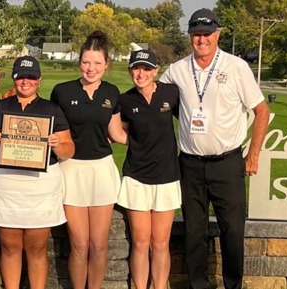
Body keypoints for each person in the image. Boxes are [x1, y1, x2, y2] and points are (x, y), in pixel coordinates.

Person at [159, 8, 270, 289]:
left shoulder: (236, 67)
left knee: (232, 230)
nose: (201, 39)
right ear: (190, 37)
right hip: (190, 164)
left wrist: (253, 153)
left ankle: (233, 285)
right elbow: (159, 101)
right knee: (193, 232)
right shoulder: (177, 69)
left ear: (217, 34)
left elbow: (261, 111)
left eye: (207, 34)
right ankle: (199, 285)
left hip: (227, 163)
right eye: (196, 34)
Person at [0, 56, 75, 289]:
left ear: (39, 80)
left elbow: (69, 149)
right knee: (9, 246)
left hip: (39, 186)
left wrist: (57, 144)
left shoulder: (52, 109)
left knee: (37, 247)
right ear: (14, 78)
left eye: (31, 77)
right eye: (21, 76)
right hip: (6, 184)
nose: (25, 81)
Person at [50, 30, 127, 289]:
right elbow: (54, 133)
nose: (90, 68)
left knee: (99, 244)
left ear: (106, 64)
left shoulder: (113, 93)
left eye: (96, 63)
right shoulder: (61, 91)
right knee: (80, 245)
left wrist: (151, 139)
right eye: (86, 62)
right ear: (79, 62)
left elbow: (116, 133)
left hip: (102, 171)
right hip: (71, 170)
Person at [117, 50, 181, 289]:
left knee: (161, 242)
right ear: (130, 71)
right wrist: (136, 143)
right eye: (136, 68)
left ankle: (160, 286)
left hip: (166, 176)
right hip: (137, 177)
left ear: (156, 71)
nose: (140, 73)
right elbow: (116, 132)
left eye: (146, 69)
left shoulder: (170, 93)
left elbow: (189, 121)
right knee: (141, 242)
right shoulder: (125, 100)